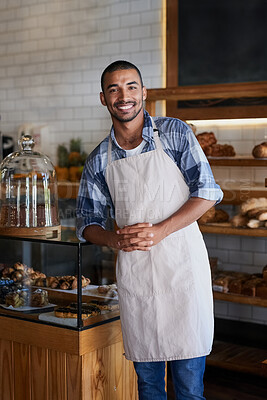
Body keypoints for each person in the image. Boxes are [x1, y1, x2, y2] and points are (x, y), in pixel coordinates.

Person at [76, 60, 223, 400]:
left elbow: (208, 191)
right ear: (103, 98)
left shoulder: (174, 132)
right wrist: (113, 238)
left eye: (130, 87)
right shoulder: (99, 158)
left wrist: (160, 230)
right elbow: (86, 221)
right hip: (137, 276)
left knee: (188, 388)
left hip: (183, 272)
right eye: (114, 89)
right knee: (149, 386)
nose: (123, 96)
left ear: (143, 92)